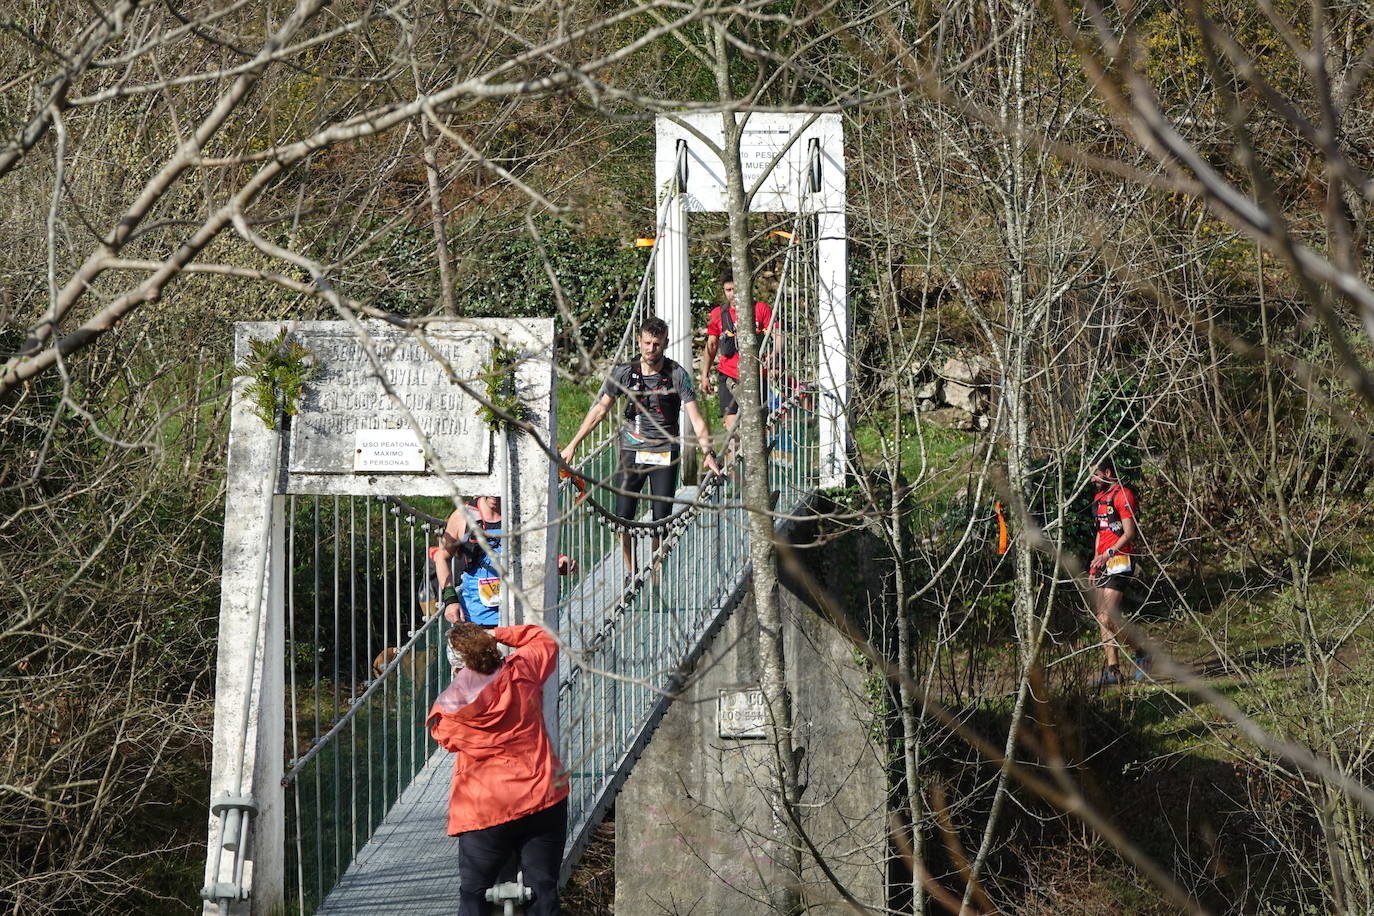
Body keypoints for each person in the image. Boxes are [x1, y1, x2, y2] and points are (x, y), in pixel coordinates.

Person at [428, 623, 568, 915]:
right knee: (543, 889)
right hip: (540, 796)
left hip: (484, 811)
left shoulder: (451, 706)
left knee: (473, 895)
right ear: (490, 648)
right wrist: (496, 633)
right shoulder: (523, 671)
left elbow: (444, 738)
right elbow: (544, 639)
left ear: (456, 665)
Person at [561, 317, 720, 572]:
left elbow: (697, 418)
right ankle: (632, 572)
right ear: (639, 341)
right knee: (622, 519)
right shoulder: (625, 371)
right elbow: (599, 411)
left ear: (665, 343)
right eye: (647, 343)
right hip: (632, 451)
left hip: (664, 453)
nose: (651, 349)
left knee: (661, 521)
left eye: (657, 344)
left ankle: (655, 573)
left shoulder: (677, 374)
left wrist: (708, 453)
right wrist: (573, 444)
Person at [431, 495, 574, 629]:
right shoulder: (463, 517)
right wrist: (450, 599)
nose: (495, 495)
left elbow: (538, 551)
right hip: (475, 619)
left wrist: (558, 561)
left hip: (520, 616)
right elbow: (442, 557)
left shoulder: (525, 513)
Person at [1087, 456, 1145, 685]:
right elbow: (1100, 532)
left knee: (1110, 614)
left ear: (1108, 472)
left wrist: (1108, 554)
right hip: (1102, 562)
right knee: (1102, 617)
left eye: (1095, 474)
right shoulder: (1098, 498)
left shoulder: (1124, 495)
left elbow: (1129, 533)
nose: (1092, 479)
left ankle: (1142, 653)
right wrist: (1094, 562)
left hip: (1119, 559)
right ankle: (1113, 670)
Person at [699, 269, 779, 434]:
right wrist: (705, 375)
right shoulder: (718, 314)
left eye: (736, 289)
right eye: (728, 290)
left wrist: (775, 354)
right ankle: (732, 459)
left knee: (759, 429)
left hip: (757, 375)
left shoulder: (761, 309)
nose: (733, 294)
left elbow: (778, 335)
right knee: (732, 430)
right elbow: (712, 345)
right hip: (728, 376)